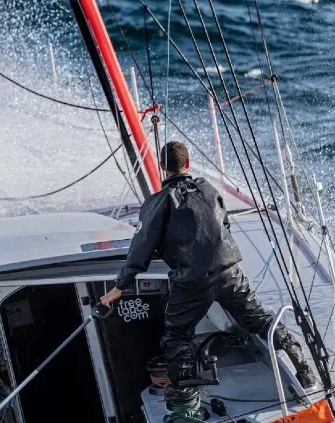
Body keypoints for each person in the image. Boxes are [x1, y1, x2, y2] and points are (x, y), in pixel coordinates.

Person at [100, 141, 318, 389]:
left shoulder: (157, 203)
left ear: (162, 167)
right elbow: (223, 225)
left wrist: (119, 286)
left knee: (176, 335)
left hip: (192, 281)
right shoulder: (208, 188)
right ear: (188, 163)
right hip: (229, 272)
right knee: (262, 321)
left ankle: (185, 392)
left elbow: (140, 249)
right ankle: (305, 371)